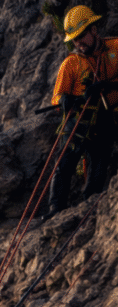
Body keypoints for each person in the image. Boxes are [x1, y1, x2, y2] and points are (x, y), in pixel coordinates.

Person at [47, 5, 118, 216]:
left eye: (81, 36)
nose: (78, 43)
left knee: (99, 160)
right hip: (78, 118)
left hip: (106, 116)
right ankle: (55, 207)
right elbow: (57, 96)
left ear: (94, 30)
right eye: (74, 39)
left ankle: (91, 202)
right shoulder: (71, 64)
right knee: (65, 161)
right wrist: (66, 99)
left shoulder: (115, 48)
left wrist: (107, 86)